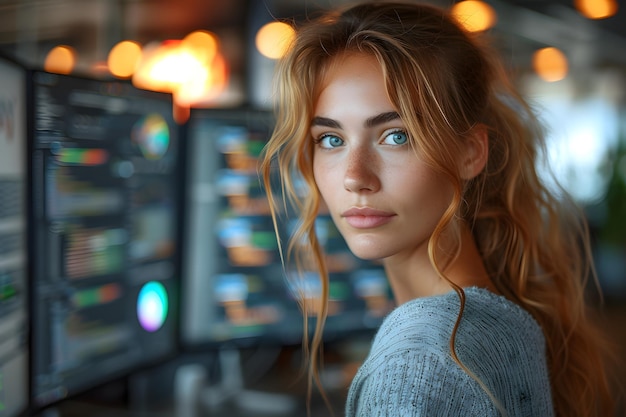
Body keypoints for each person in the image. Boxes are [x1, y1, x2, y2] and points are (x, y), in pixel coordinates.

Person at [260, 1, 616, 416]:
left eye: (396, 136)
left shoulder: (419, 365)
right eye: (332, 140)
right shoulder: (497, 319)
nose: (355, 177)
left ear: (470, 152)